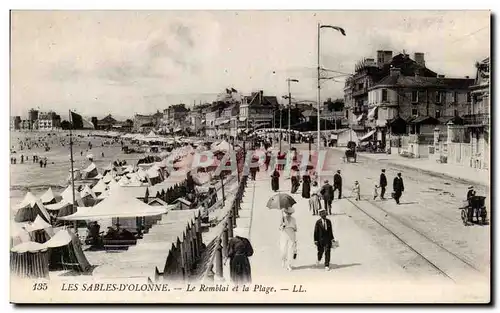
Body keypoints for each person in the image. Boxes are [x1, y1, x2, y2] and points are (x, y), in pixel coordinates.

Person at [279, 207, 297, 271]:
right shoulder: (283, 218)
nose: (288, 214)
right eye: (287, 213)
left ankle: (289, 265)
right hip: (284, 234)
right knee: (283, 249)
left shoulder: (293, 219)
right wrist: (283, 226)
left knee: (291, 250)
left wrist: (292, 227)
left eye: (290, 213)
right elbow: (280, 228)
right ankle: (283, 260)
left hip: (291, 235)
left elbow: (295, 229)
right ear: (285, 213)